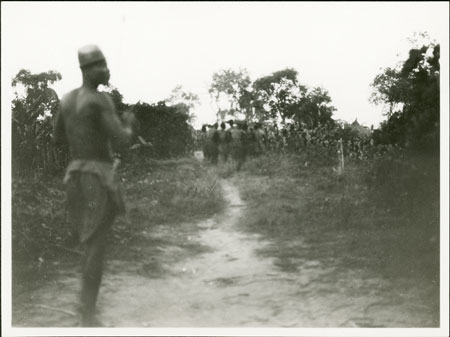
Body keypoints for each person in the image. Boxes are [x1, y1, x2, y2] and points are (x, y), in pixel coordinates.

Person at [53, 45, 135, 327]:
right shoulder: (100, 100)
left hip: (74, 173)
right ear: (86, 70)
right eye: (100, 65)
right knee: (95, 246)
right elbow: (122, 139)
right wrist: (129, 123)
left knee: (88, 243)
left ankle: (85, 310)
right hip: (97, 176)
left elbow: (58, 138)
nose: (106, 69)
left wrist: (83, 139)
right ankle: (87, 318)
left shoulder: (65, 100)